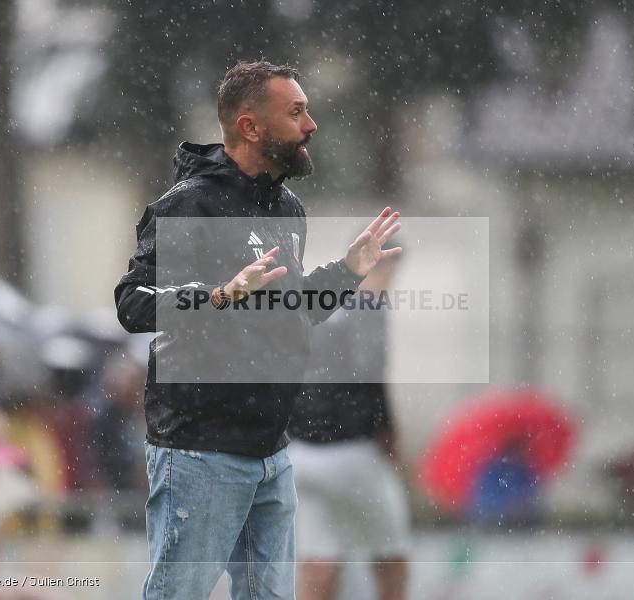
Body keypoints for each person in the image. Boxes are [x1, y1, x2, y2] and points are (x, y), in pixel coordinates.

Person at [114, 60, 402, 600]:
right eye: (296, 112)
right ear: (250, 127)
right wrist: (219, 295)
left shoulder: (287, 207)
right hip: (199, 450)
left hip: (271, 452)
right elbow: (131, 303)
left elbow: (295, 310)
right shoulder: (188, 205)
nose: (310, 124)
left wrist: (346, 271)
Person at [287, 249, 411, 600]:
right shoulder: (369, 305)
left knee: (319, 563)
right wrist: (389, 433)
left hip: (301, 453)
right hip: (350, 451)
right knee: (391, 558)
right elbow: (371, 373)